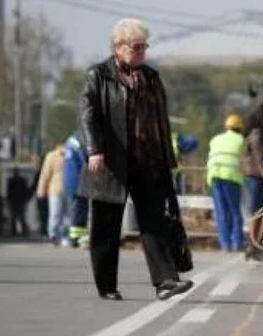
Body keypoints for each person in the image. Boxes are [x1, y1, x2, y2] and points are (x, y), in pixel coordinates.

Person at [78, 18, 192, 301]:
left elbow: (161, 122)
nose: (142, 51)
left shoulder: (152, 77)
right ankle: (107, 285)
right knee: (106, 227)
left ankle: (166, 281)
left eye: (144, 46)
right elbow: (88, 114)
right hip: (111, 164)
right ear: (118, 47)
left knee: (154, 221)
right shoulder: (99, 75)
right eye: (136, 46)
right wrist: (94, 150)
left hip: (148, 162)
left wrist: (168, 159)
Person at [206, 114, 245, 252]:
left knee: (221, 211)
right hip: (231, 177)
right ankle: (236, 243)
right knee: (234, 211)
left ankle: (225, 244)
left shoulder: (215, 139)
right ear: (240, 128)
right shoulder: (241, 140)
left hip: (214, 176)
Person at [242, 87, 263, 215]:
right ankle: (253, 235)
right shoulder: (257, 135)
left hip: (256, 174)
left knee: (261, 209)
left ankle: (256, 234)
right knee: (255, 210)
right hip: (255, 175)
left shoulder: (259, 133)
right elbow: (259, 157)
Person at [37, 144, 69, 246]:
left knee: (66, 215)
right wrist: (41, 190)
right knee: (56, 213)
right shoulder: (51, 156)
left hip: (69, 189)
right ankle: (53, 235)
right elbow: (45, 174)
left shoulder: (71, 155)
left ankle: (64, 235)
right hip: (55, 189)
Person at [63, 131, 88, 247]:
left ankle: (75, 237)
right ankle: (75, 238)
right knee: (78, 210)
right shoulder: (80, 140)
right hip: (78, 180)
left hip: (69, 180)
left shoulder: (71, 140)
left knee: (73, 209)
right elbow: (85, 160)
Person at [6, 169, 30, 237]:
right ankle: (23, 231)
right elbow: (26, 190)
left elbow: (9, 192)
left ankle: (14, 231)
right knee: (21, 216)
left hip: (14, 200)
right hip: (20, 200)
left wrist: (8, 200)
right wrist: (26, 199)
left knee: (14, 216)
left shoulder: (11, 181)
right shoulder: (22, 181)